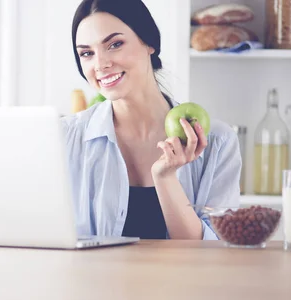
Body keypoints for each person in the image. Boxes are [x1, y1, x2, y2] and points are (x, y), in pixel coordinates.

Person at [62, 0, 241, 240]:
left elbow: (210, 255)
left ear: (149, 43)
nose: (100, 64)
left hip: (184, 279)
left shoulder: (217, 142)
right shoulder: (65, 139)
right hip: (95, 279)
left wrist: (166, 178)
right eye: (86, 53)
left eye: (115, 44)